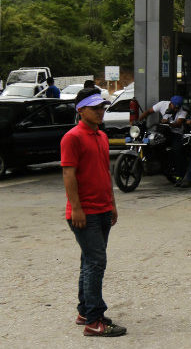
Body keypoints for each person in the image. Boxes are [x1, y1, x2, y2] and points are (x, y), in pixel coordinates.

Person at [61, 88, 127, 337]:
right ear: (81, 111)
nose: (101, 111)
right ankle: (94, 320)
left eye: (102, 107)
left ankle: (84, 311)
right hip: (84, 212)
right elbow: (68, 174)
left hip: (102, 209)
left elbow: (104, 172)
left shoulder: (101, 136)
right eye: (95, 108)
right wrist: (76, 208)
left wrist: (112, 203)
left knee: (89, 261)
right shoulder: (72, 137)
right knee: (96, 262)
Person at [137, 95, 190, 184]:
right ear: (170, 103)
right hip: (163, 132)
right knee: (150, 142)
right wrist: (138, 121)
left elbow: (179, 124)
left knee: (177, 150)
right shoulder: (162, 104)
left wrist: (169, 123)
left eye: (178, 107)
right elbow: (148, 112)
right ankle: (153, 163)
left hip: (176, 133)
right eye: (175, 106)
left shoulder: (183, 110)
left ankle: (179, 175)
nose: (176, 109)